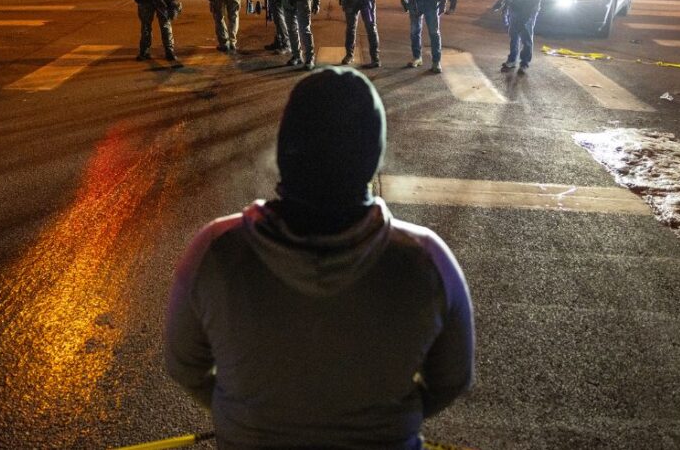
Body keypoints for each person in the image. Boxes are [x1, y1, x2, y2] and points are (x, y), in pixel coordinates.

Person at [165, 67, 475, 449]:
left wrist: (247, 417)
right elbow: (452, 379)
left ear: (285, 148)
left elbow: (184, 365)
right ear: (372, 155)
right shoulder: (426, 261)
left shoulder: (216, 250)